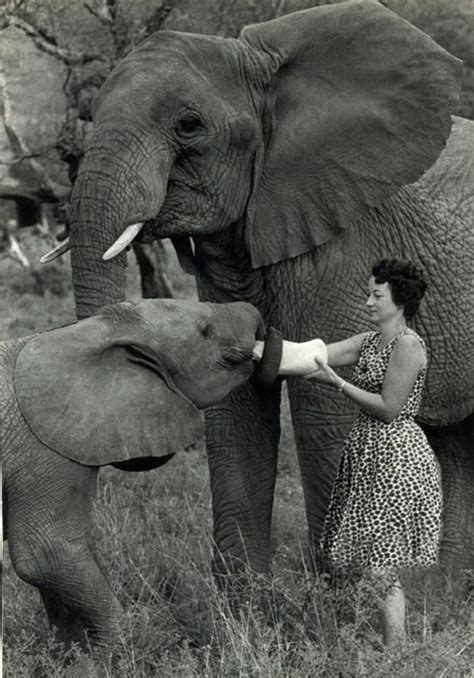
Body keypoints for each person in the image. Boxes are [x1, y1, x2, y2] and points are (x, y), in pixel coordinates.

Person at [305, 258, 442, 646]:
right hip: (368, 455)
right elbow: (317, 357)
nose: (368, 302)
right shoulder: (368, 342)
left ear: (398, 300)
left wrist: (339, 384)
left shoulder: (409, 345)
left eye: (376, 295)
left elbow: (389, 407)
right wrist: (260, 352)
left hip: (397, 458)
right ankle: (394, 649)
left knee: (381, 566)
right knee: (372, 563)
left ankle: (397, 654)